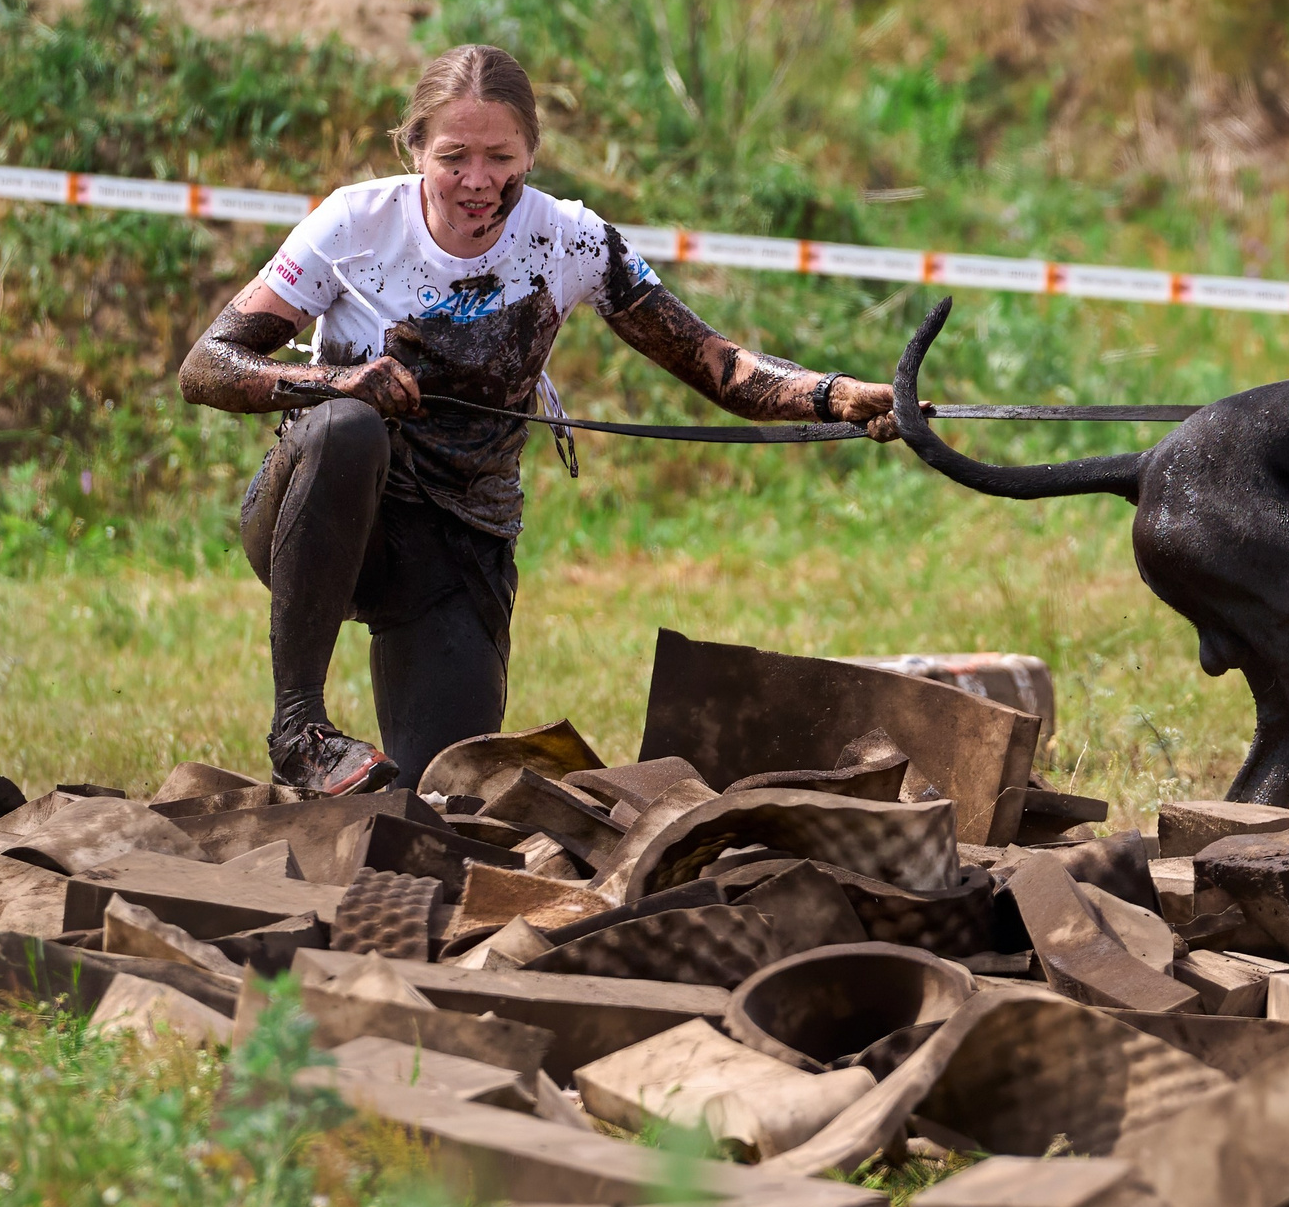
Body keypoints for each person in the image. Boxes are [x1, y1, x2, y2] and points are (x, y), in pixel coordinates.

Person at [178, 42, 902, 794]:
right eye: (454, 157)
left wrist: (835, 395)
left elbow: (714, 362)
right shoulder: (354, 225)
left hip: (457, 548)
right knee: (347, 425)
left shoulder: (569, 239)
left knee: (447, 796)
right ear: (414, 148)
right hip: (323, 512)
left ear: (532, 151)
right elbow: (207, 366)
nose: (479, 181)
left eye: (501, 156)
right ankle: (298, 727)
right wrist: (333, 381)